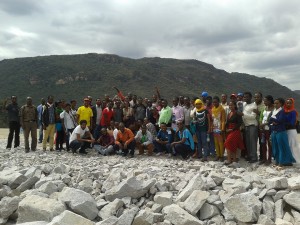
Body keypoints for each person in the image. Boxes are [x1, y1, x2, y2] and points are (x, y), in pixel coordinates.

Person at [269, 98, 295, 169]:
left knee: (281, 147)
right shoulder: (274, 111)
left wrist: (273, 120)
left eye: (277, 103)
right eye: (274, 103)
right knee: (275, 147)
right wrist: (274, 121)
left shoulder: (282, 111)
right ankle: (277, 161)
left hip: (280, 131)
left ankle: (281, 162)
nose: (275, 104)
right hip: (274, 131)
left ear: (281, 104)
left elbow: (280, 120)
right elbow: (270, 121)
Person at [241, 92, 258, 163]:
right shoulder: (244, 104)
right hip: (246, 126)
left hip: (252, 125)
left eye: (247, 97)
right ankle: (249, 156)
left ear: (251, 97)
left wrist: (243, 114)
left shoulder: (254, 105)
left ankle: (254, 157)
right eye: (244, 97)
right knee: (247, 142)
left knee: (253, 142)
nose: (245, 98)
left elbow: (253, 116)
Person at [258, 95, 274, 165]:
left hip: (269, 129)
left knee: (269, 144)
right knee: (263, 144)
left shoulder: (273, 109)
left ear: (270, 101)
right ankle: (264, 159)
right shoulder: (264, 108)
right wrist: (261, 124)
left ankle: (269, 159)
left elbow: (272, 120)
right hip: (263, 129)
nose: (264, 102)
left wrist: (264, 124)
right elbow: (261, 117)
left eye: (265, 101)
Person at [284, 98, 300, 164]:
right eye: (287, 103)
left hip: (291, 130)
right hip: (285, 131)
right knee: (287, 145)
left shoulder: (293, 112)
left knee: (292, 145)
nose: (288, 104)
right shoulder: (284, 111)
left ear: (292, 104)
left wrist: (283, 124)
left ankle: (293, 160)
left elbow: (292, 122)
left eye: (290, 103)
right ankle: (288, 159)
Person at [212, 96, 226, 161]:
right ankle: (218, 155)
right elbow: (213, 119)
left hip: (220, 127)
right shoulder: (213, 109)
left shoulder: (222, 109)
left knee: (220, 142)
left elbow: (223, 120)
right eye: (213, 102)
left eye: (215, 102)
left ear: (218, 102)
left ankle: (222, 155)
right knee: (216, 142)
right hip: (215, 127)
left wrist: (222, 129)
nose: (214, 103)